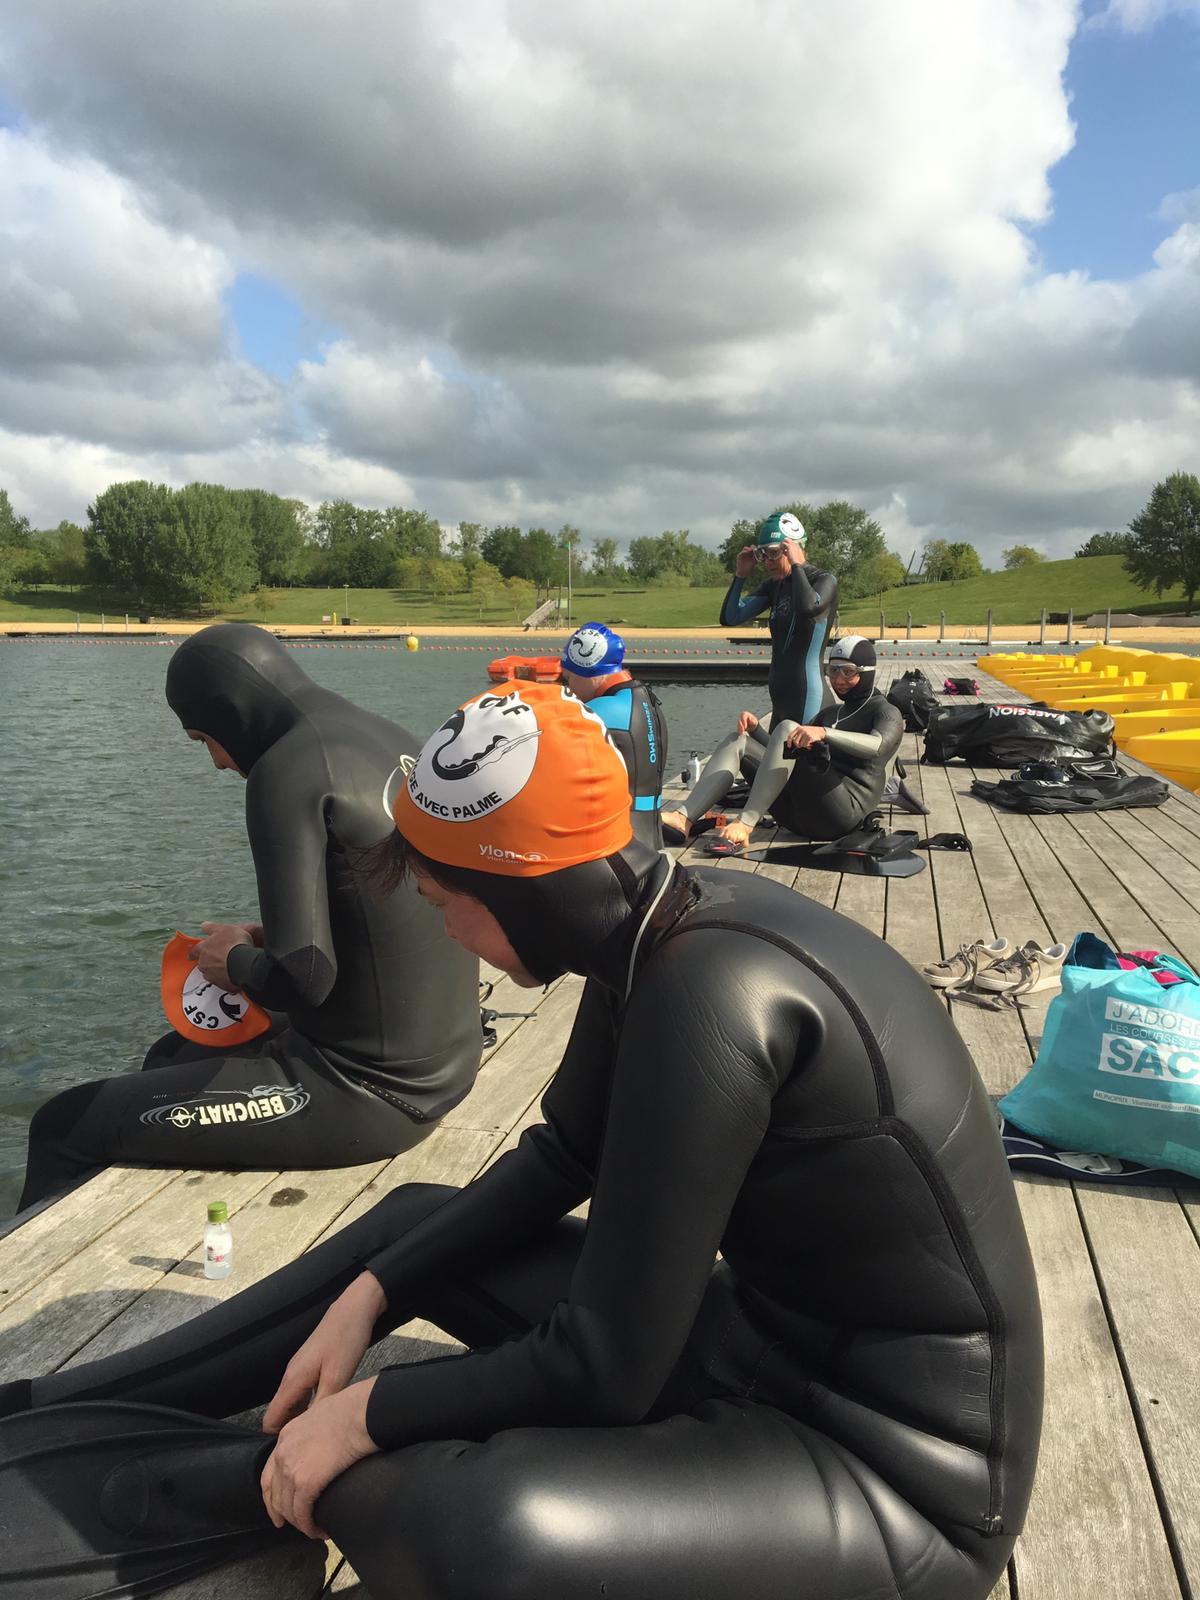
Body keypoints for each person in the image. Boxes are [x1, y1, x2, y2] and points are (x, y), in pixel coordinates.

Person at [0, 681, 1043, 1600]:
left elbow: (604, 1367)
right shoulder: (656, 924)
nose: (446, 930)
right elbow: (561, 1156)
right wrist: (370, 1294)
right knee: (412, 1227)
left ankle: (230, 1480)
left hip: (895, 1480)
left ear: (527, 885)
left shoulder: (713, 990)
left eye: (450, 898)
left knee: (487, 1530)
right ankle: (63, 1403)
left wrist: (364, 1416)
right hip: (759, 1347)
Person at [18, 624, 482, 1211]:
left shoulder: (287, 770)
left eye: (202, 739)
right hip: (448, 1057)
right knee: (171, 1056)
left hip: (373, 1093)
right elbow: (386, 909)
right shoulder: (384, 735)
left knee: (61, 1127)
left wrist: (230, 961)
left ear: (231, 713)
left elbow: (302, 979)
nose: (214, 761)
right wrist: (265, 940)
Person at [663, 634, 903, 851]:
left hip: (841, 815)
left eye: (848, 672)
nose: (838, 679)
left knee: (789, 726)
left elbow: (878, 745)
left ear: (867, 672)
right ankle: (683, 817)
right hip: (798, 815)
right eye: (833, 670)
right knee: (739, 741)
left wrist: (824, 733)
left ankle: (745, 823)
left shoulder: (885, 712)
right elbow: (781, 755)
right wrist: (756, 731)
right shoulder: (831, 714)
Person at [720, 510, 838, 726]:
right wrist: (740, 575)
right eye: (762, 554)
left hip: (809, 700)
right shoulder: (774, 587)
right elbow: (730, 617)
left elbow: (807, 607)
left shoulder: (823, 580)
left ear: (793, 548)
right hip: (781, 703)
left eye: (773, 553)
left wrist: (797, 566)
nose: (767, 562)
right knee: (770, 759)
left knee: (796, 759)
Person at [560, 621, 668, 847]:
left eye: (569, 678)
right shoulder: (645, 698)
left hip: (622, 847)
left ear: (590, 672)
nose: (569, 689)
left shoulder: (598, 712)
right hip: (651, 837)